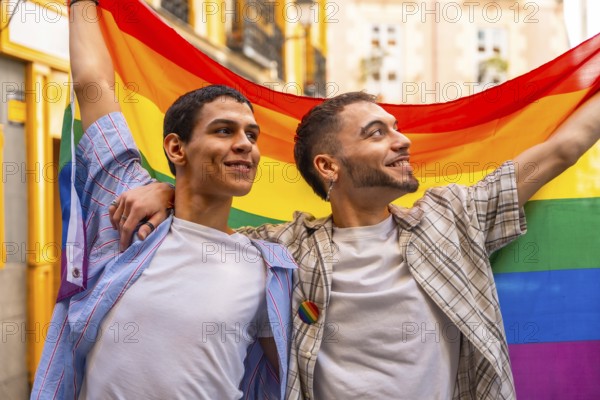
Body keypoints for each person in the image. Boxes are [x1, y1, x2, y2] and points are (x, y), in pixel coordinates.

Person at [117, 86, 600, 400]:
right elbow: (202, 219)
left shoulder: (453, 220)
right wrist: (167, 189)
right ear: (329, 166)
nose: (403, 140)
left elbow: (565, 147)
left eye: (396, 127)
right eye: (378, 133)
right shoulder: (281, 252)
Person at [30, 1, 296, 399]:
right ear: (176, 148)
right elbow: (92, 84)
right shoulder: (123, 214)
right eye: (224, 131)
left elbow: (291, 378)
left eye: (252, 135)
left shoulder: (272, 268)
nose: (245, 145)